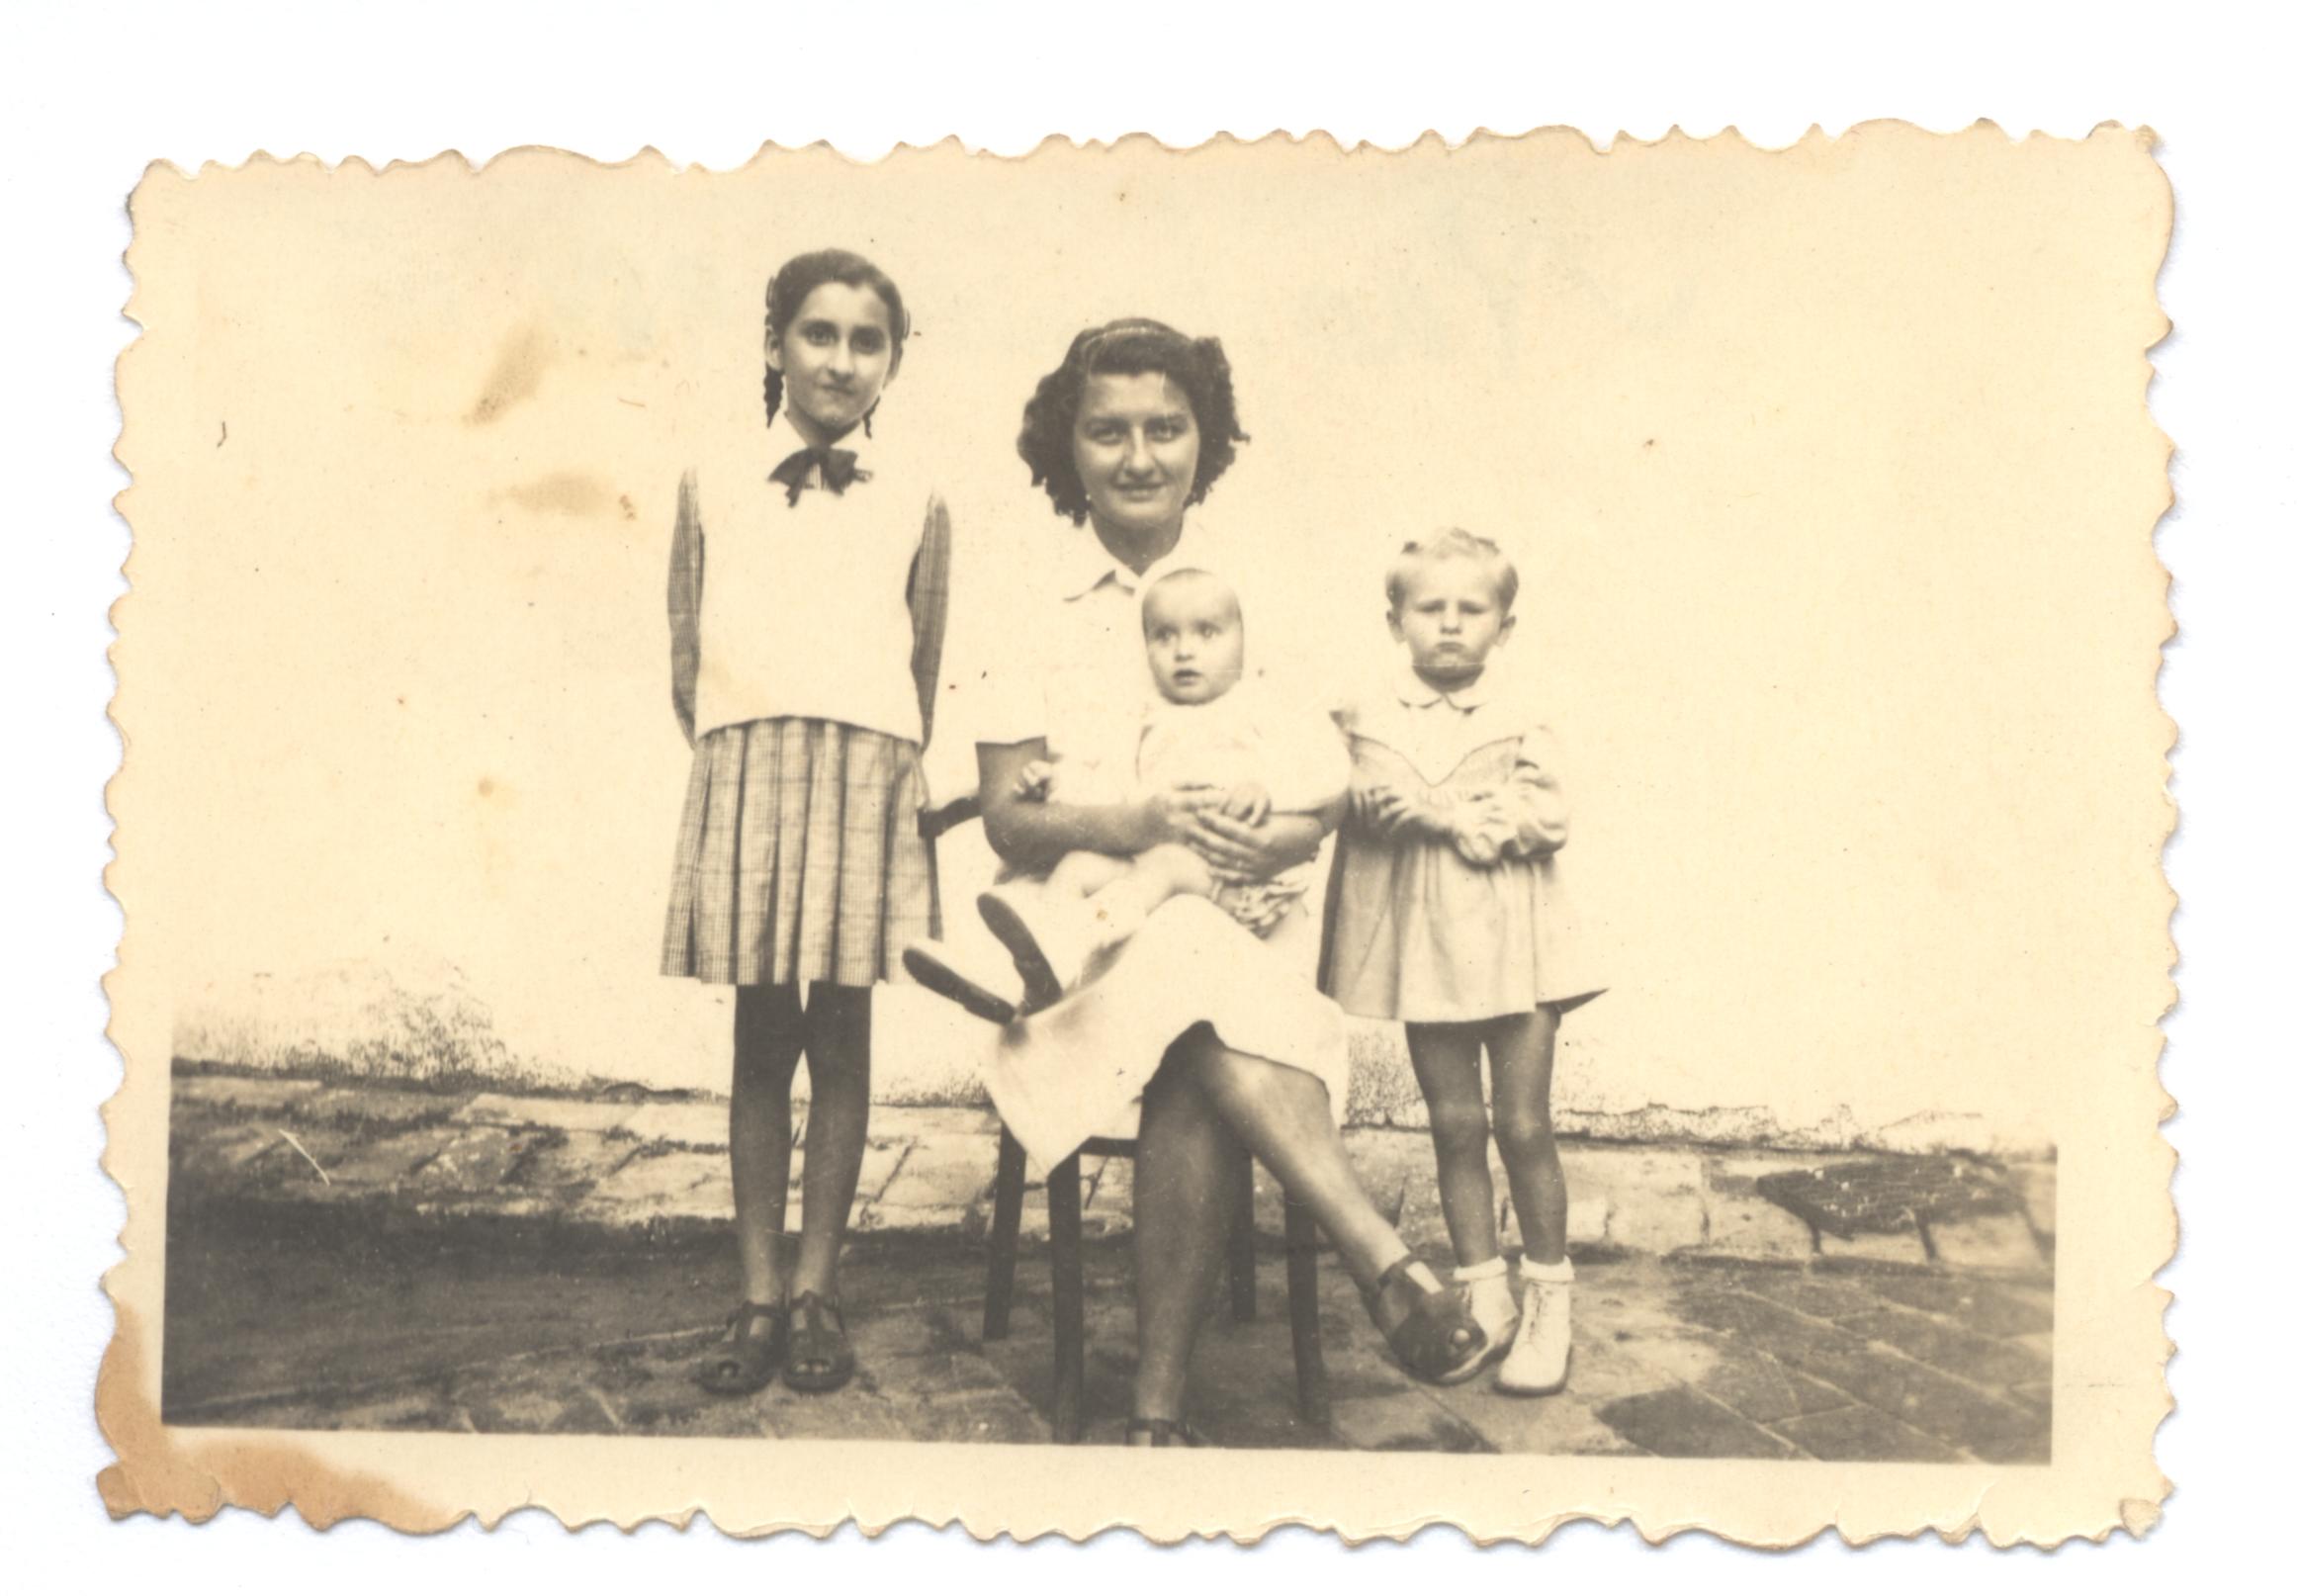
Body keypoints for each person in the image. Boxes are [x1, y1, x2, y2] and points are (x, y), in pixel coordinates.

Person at [916, 317, 1487, 1445]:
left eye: (1166, 429)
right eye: (1108, 432)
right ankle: (1375, 1266)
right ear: (1066, 446)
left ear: (1203, 440)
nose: (1139, 457)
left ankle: (1157, 1410)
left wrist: (1282, 839)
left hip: (1236, 916)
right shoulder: (1023, 604)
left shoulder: (1251, 590)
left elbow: (1323, 778)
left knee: (1192, 997)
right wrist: (1134, 820)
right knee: (1187, 983)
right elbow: (1006, 817)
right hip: (1076, 927)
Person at [662, 247, 952, 1397]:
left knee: (840, 1035)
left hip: (864, 764)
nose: (839, 361)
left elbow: (923, 656)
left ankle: (818, 1288)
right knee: (758, 1037)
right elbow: (685, 646)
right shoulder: (711, 477)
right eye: (817, 334)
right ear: (775, 343)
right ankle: (755, 1291)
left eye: (865, 341)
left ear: (892, 361)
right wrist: (741, 757)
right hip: (750, 763)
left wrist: (875, 762)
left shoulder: (919, 493)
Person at [1320, 529, 1605, 1393]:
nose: (1449, 624)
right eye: (1430, 608)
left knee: (1522, 1123)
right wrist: (1357, 797)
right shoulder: (1363, 716)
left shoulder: (1523, 713)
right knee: (1453, 1124)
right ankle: (1486, 1291)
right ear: (1395, 620)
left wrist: (1439, 814)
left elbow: (1545, 815)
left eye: (1471, 609)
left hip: (1518, 947)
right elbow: (1323, 791)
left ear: (1503, 626)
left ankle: (1548, 1296)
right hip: (1427, 951)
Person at [906, 565, 1349, 1020]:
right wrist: (1056, 783)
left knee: (1164, 868)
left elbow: (1328, 771)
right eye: (1164, 636)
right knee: (1079, 867)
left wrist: (1268, 792)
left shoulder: (1261, 707)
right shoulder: (1150, 716)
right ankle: (1031, 974)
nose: (1184, 651)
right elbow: (1118, 789)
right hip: (1161, 870)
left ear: (1243, 638)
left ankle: (1072, 948)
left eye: (1207, 633)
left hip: (1241, 882)